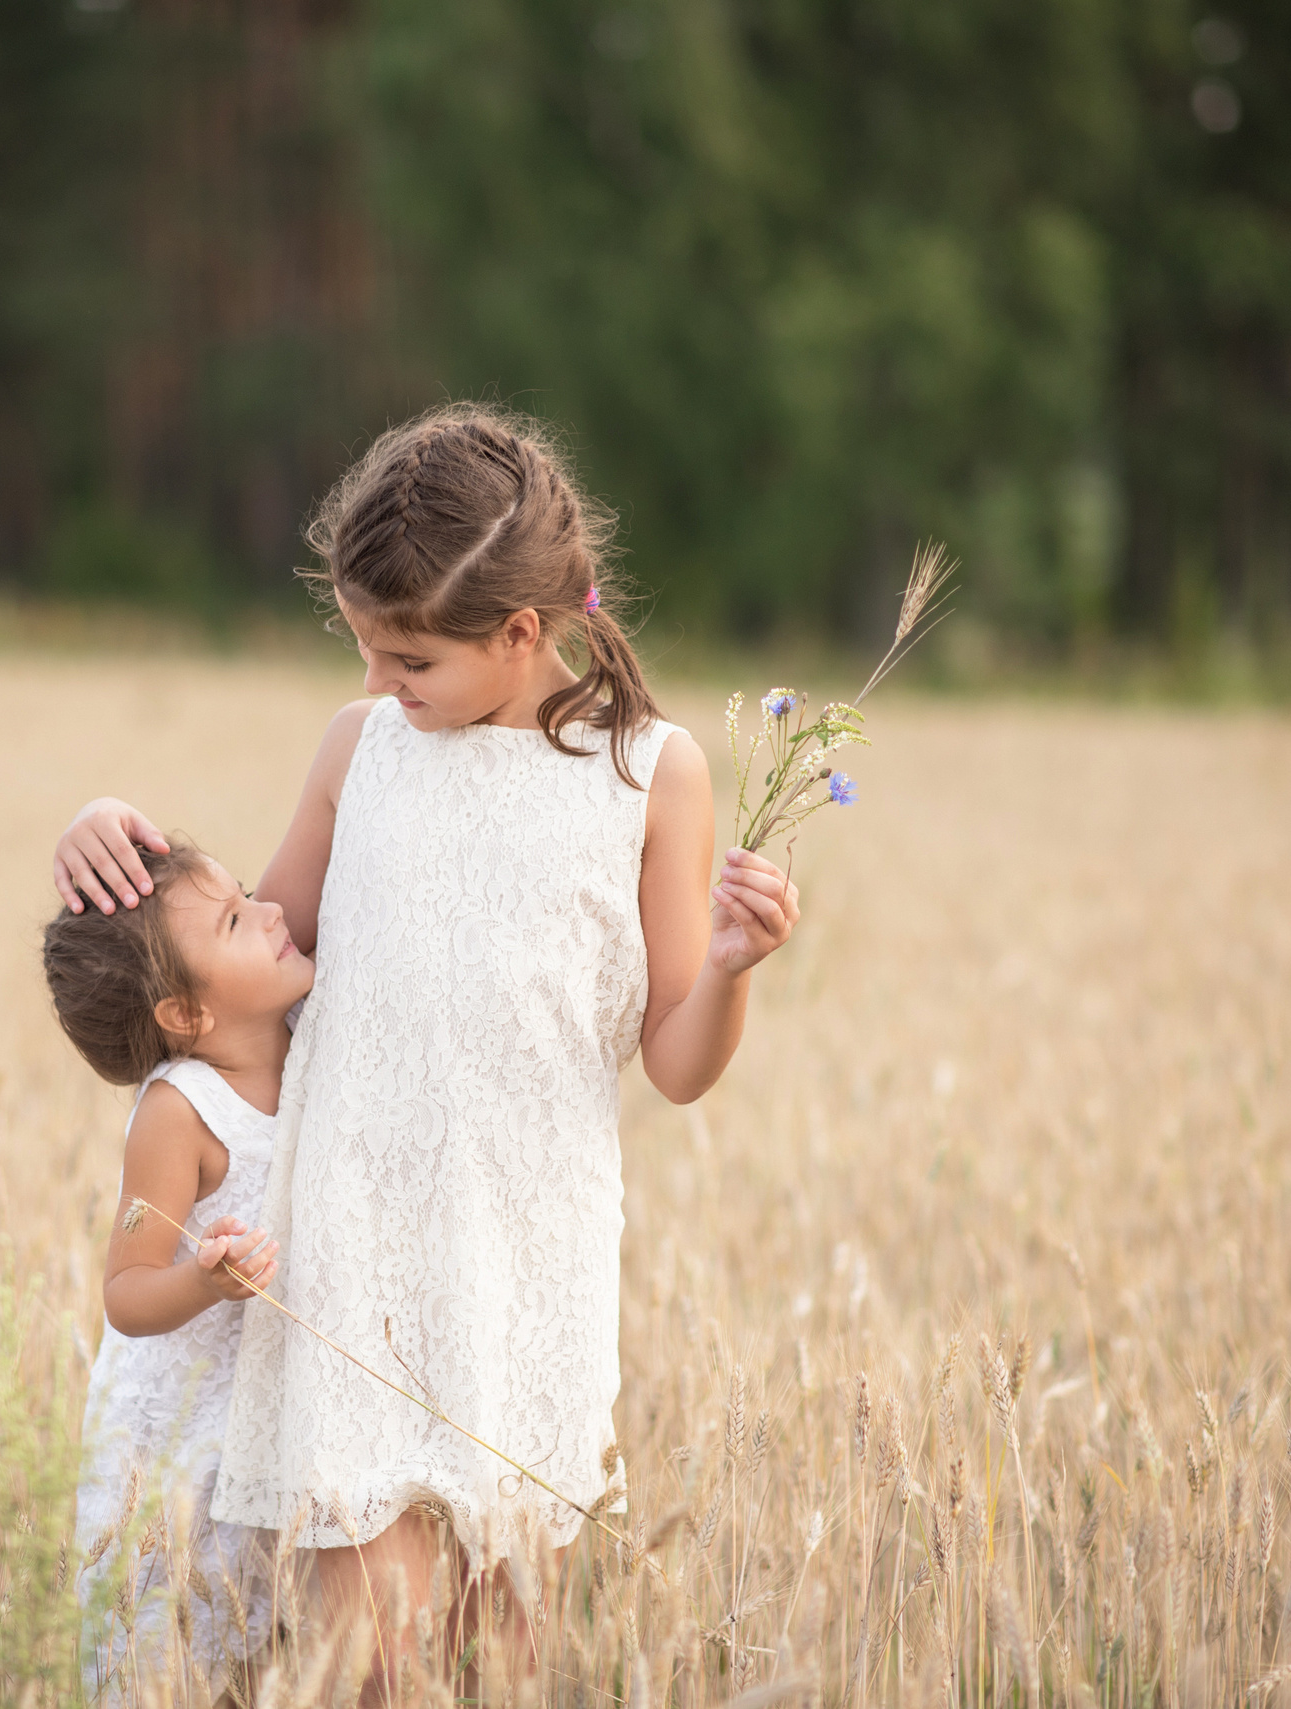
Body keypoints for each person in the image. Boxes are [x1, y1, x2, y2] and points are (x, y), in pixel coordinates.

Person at [51, 403, 800, 1696]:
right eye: (363, 651)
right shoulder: (364, 751)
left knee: (496, 1666)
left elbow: (674, 1060)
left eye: (407, 661)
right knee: (376, 1668)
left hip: (530, 1276)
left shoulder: (652, 775)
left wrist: (730, 967)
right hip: (349, 1269)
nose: (377, 687)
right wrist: (122, 850)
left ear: (520, 634)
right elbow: (247, 959)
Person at [44, 840, 310, 1706]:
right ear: (187, 1014)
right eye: (238, 917)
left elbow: (158, 898)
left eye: (245, 896)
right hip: (182, 1439)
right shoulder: (179, 1111)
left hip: (272, 1412)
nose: (272, 907)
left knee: (270, 1648)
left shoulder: (310, 1041)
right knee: (180, 1650)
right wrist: (204, 1279)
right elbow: (126, 1286)